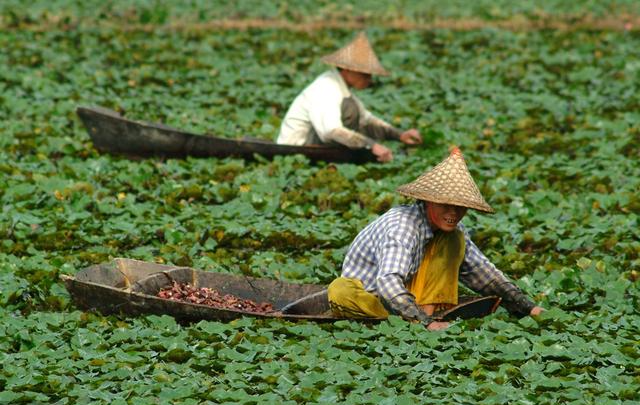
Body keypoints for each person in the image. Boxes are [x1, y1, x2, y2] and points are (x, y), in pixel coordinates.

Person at [327, 147, 545, 330]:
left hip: (413, 301)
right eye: (445, 205)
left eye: (460, 207)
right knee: (339, 291)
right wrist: (424, 322)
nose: (453, 213)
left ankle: (424, 313)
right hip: (373, 299)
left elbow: (485, 274)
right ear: (429, 201)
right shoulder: (402, 226)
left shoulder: (454, 230)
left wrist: (528, 307)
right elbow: (388, 282)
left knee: (454, 238)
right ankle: (418, 318)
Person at [276, 32, 422, 162]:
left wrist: (399, 135)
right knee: (349, 111)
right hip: (296, 150)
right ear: (346, 69)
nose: (369, 79)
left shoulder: (343, 90)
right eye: (364, 74)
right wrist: (371, 145)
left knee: (352, 109)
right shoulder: (326, 87)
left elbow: (366, 120)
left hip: (317, 144)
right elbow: (332, 131)